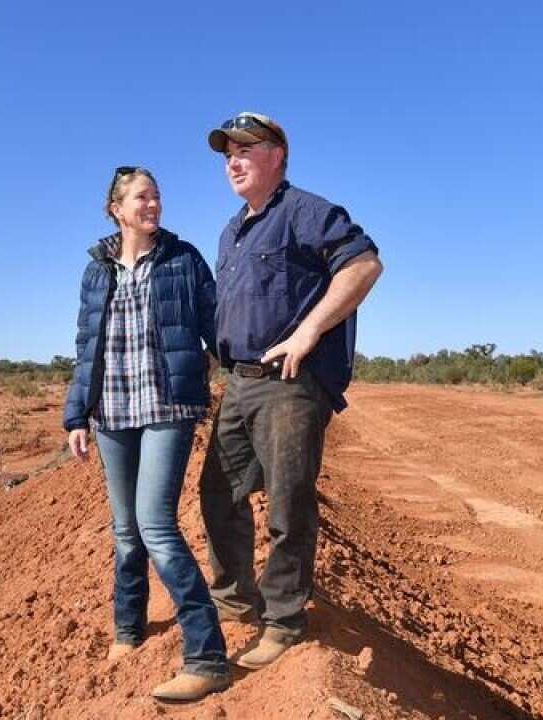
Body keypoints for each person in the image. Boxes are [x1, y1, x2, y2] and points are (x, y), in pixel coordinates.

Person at [199, 112, 383, 669]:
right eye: (227, 151)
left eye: (246, 149)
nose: (233, 160)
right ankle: (234, 600)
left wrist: (309, 330)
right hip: (239, 383)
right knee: (218, 494)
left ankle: (283, 621)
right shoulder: (232, 231)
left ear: (277, 155)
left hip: (288, 384)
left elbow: (364, 265)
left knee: (288, 505)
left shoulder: (306, 211)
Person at [63, 166, 230, 701]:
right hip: (112, 411)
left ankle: (206, 653)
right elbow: (86, 346)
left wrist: (231, 363)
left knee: (155, 523)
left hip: (167, 406)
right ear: (116, 207)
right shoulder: (96, 270)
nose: (153, 204)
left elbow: (217, 323)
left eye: (157, 195)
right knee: (124, 529)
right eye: (142, 196)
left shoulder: (182, 259)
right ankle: (128, 628)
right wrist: (75, 416)